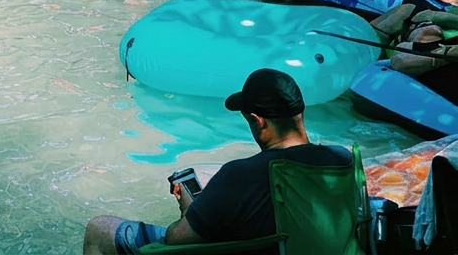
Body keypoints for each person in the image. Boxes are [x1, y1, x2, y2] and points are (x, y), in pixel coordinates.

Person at [84, 69, 352, 255]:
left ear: (258, 121)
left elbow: (177, 240)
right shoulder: (341, 160)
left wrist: (188, 207)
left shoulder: (240, 175)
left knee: (99, 228)